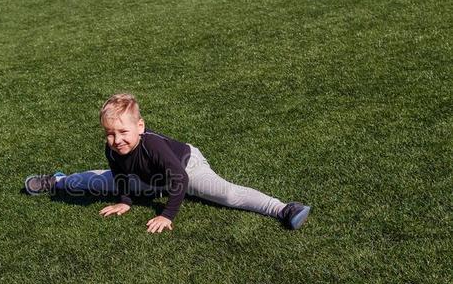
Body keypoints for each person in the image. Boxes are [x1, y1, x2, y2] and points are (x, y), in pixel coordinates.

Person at [25, 93, 310, 233]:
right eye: (110, 133)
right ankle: (58, 181)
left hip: (185, 168)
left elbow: (180, 180)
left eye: (123, 132)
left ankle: (284, 208)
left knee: (224, 193)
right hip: (146, 177)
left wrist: (167, 214)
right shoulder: (112, 149)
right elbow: (119, 174)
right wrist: (125, 200)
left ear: (139, 126)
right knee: (98, 180)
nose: (117, 139)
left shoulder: (152, 145)